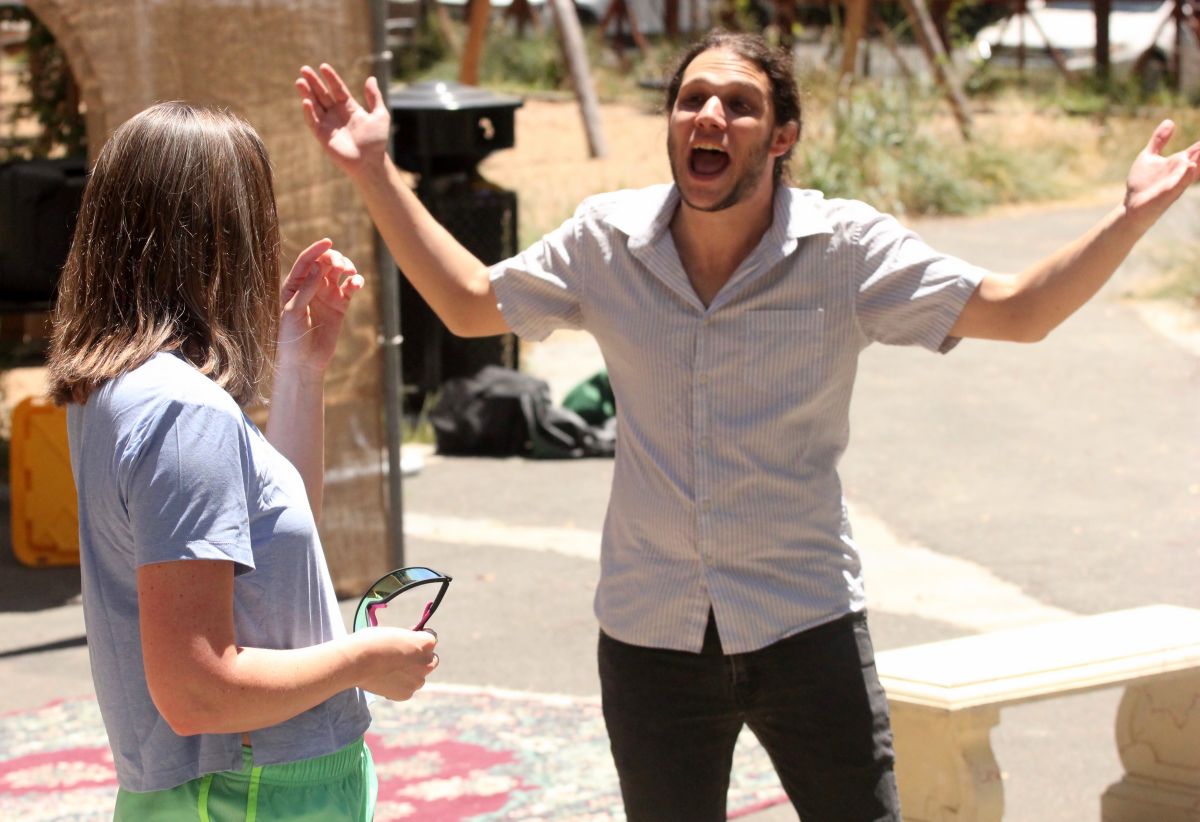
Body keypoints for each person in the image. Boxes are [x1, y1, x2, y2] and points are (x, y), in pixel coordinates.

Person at [295, 30, 1199, 821]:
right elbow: (467, 302)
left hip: (805, 624)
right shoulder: (606, 242)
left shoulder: (846, 252)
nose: (710, 117)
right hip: (651, 636)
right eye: (692, 100)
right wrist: (373, 168)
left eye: (738, 104)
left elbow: (1019, 309)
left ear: (782, 136)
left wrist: (1130, 218)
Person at [46, 102, 440, 821]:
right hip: (249, 791)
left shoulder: (121, 390)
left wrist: (303, 369)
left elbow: (259, 543)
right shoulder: (182, 413)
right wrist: (362, 660)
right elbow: (199, 691)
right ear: (227, 238)